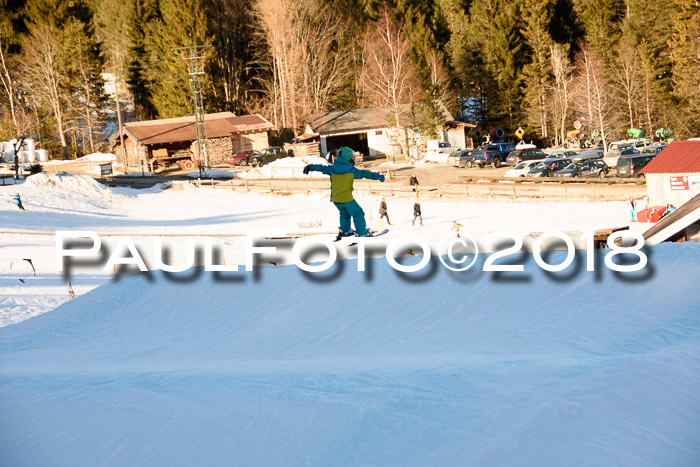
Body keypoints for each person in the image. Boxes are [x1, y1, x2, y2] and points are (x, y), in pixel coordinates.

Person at [304, 147, 385, 237]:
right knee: (358, 213)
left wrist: (309, 167)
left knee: (344, 214)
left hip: (336, 199)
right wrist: (378, 176)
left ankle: (345, 230)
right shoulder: (351, 170)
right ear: (350, 157)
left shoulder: (332, 169)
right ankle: (362, 232)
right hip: (347, 199)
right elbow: (364, 174)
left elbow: (321, 168)